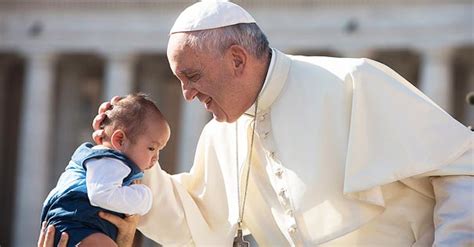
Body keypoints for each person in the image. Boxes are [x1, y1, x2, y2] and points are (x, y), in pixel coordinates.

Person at [40, 1, 473, 246]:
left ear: (237, 60)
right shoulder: (220, 134)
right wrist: (123, 155)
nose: (187, 95)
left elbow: (462, 167)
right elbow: (196, 222)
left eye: (192, 77)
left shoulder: (354, 83)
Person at [39, 93, 170, 247]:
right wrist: (143, 196)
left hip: (80, 223)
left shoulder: (108, 161)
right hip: (76, 222)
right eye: (151, 148)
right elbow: (101, 194)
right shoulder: (109, 161)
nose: (156, 157)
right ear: (119, 140)